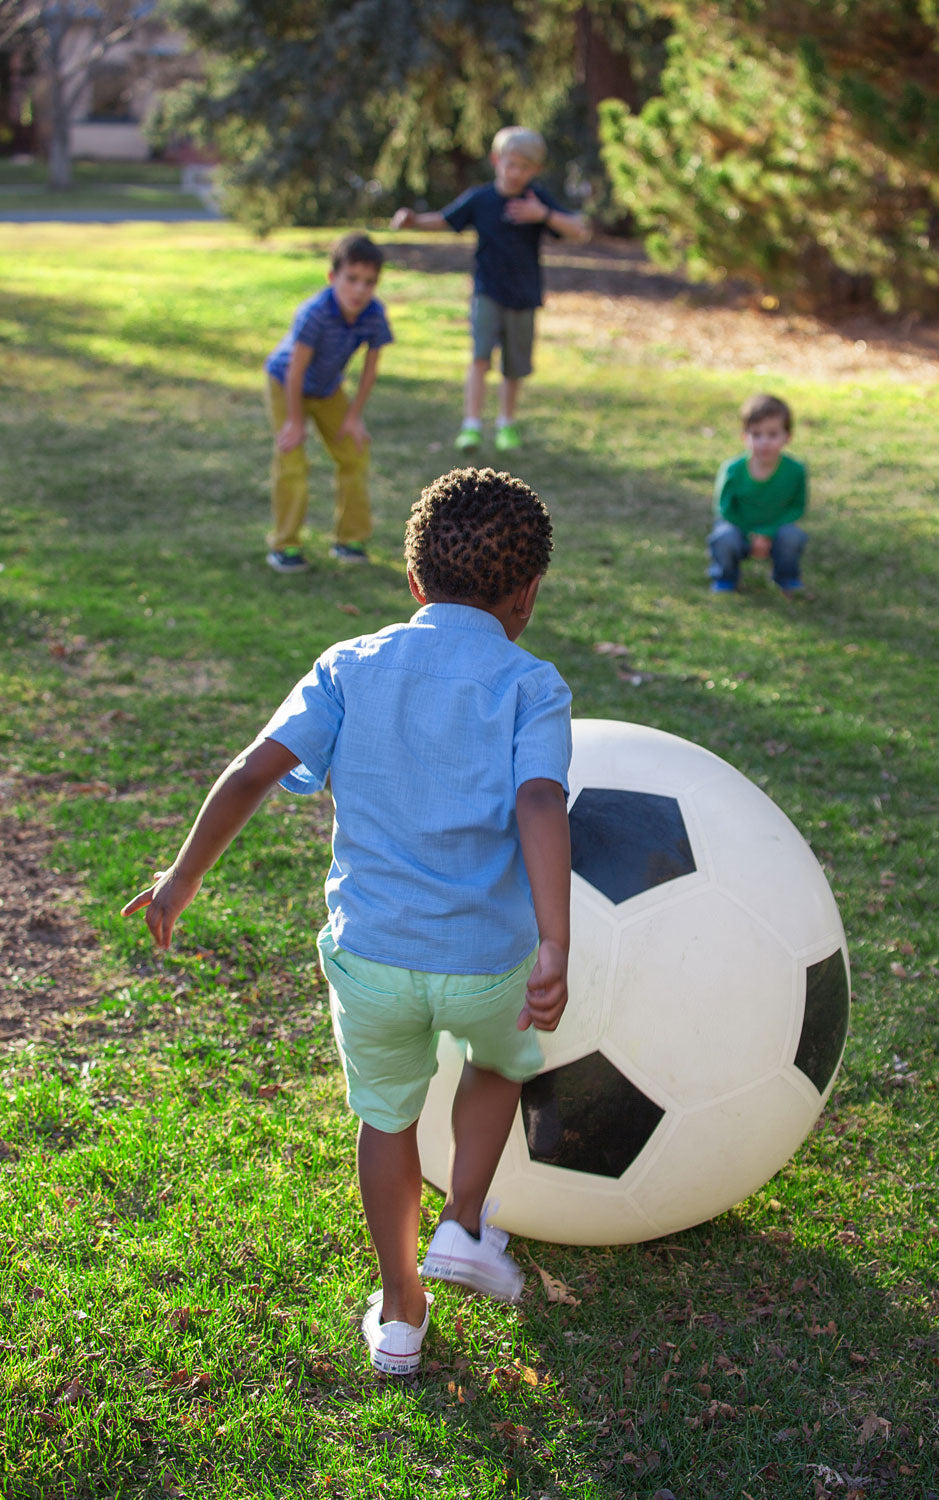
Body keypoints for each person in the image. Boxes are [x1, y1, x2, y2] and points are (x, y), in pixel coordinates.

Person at [121, 467, 572, 1380]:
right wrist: (554, 939)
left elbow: (254, 769)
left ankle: (401, 1310)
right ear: (527, 596)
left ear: (412, 581)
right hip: (487, 958)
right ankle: (464, 1222)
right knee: (497, 1065)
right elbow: (539, 801)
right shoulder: (533, 684)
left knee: (385, 1118)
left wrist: (181, 877)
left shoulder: (348, 665)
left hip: (370, 956)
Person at [391, 126, 589, 455]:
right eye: (511, 164)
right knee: (480, 356)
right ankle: (471, 425)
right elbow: (446, 219)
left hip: (524, 294)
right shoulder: (481, 199)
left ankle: (506, 424)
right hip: (487, 291)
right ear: (497, 160)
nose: (516, 173)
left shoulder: (535, 200)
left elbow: (579, 230)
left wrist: (543, 215)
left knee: (514, 365)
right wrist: (414, 220)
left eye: (525, 168)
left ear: (536, 170)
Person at [263, 232, 393, 573]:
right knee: (292, 459)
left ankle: (350, 540)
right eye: (351, 279)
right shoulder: (315, 313)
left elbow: (370, 371)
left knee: (354, 452)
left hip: (327, 389)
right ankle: (285, 546)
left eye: (369, 282)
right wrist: (294, 422)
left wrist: (353, 416)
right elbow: (295, 371)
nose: (359, 290)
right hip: (286, 384)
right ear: (332, 276)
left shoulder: (374, 314)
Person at [707, 393, 809, 597]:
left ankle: (787, 578)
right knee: (723, 537)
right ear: (744, 437)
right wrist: (751, 535)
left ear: (788, 437)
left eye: (772, 434)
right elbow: (724, 509)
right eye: (756, 434)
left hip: (776, 531)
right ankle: (725, 578)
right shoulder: (732, 470)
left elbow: (797, 508)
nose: (764, 442)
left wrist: (766, 533)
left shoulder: (796, 470)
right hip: (738, 529)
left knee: (793, 536)